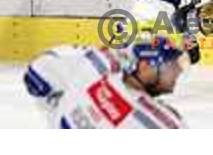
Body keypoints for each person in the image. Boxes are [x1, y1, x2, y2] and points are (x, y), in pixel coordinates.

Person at [24, 36, 189, 129]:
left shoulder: (95, 68)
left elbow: (36, 72)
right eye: (171, 67)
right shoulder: (159, 122)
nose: (178, 71)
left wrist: (55, 110)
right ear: (145, 68)